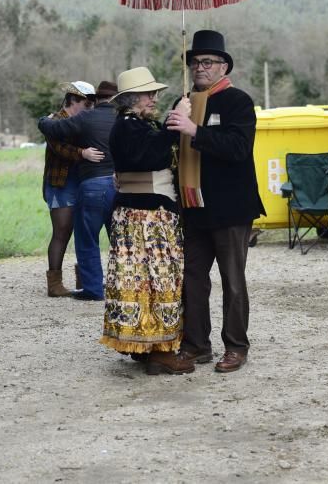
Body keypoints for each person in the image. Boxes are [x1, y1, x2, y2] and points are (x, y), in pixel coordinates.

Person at [166, 30, 266, 373]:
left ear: (223, 66)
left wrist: (194, 131)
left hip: (231, 206)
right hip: (194, 207)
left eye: (207, 62)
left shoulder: (238, 101)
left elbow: (238, 148)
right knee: (192, 278)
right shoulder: (184, 102)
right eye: (194, 62)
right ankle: (196, 345)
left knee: (232, 280)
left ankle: (236, 346)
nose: (199, 68)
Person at [100, 67, 195, 375]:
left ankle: (145, 345)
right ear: (131, 99)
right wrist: (175, 122)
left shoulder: (132, 125)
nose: (154, 98)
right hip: (147, 219)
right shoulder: (128, 127)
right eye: (148, 93)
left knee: (142, 281)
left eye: (154, 93)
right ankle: (162, 353)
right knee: (159, 280)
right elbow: (151, 156)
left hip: (139, 215)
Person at [38, 80, 117, 300]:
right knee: (63, 230)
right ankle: (55, 283)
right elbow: (58, 147)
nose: (91, 105)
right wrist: (82, 153)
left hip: (82, 181)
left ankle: (85, 279)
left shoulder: (84, 119)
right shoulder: (56, 120)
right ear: (75, 100)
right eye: (88, 101)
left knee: (84, 230)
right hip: (61, 183)